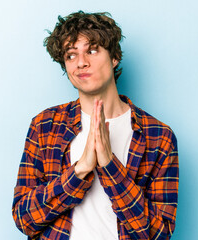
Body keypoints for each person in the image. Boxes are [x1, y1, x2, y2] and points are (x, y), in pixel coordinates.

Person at [12, 11, 179, 240]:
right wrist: (79, 170)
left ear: (114, 57)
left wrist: (109, 164)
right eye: (71, 55)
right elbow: (24, 218)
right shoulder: (45, 126)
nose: (81, 62)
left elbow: (158, 234)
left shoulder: (158, 137)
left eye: (92, 50)